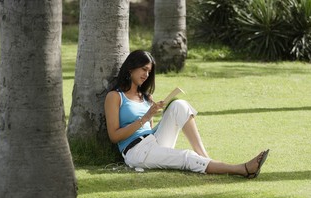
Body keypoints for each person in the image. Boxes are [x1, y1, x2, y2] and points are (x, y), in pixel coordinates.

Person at [104, 50, 269, 178]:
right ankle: (243, 169)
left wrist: (152, 115)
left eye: (149, 71)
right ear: (131, 67)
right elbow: (113, 136)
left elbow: (150, 129)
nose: (146, 75)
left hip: (153, 141)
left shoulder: (146, 96)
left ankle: (205, 157)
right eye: (143, 69)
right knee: (186, 157)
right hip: (136, 151)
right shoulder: (115, 96)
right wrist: (145, 117)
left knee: (179, 105)